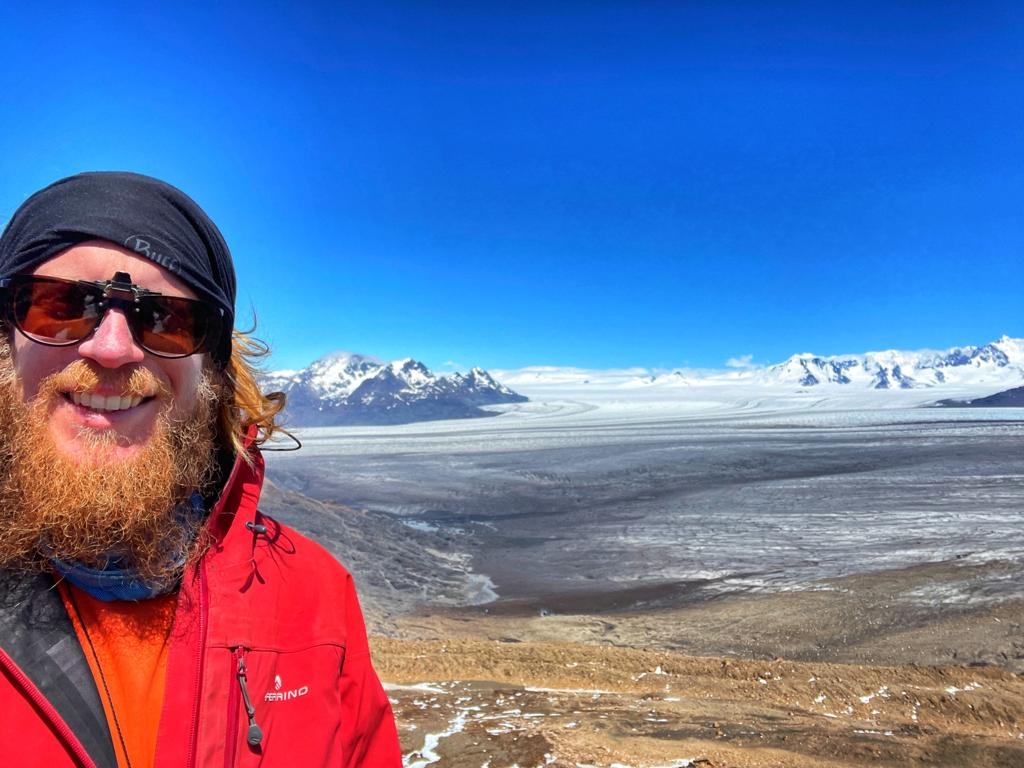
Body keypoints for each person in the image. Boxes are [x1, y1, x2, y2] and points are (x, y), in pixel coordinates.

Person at [0, 172, 402, 767]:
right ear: (6, 339)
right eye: (60, 306)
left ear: (211, 372)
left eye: (166, 319)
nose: (112, 348)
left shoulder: (315, 599)